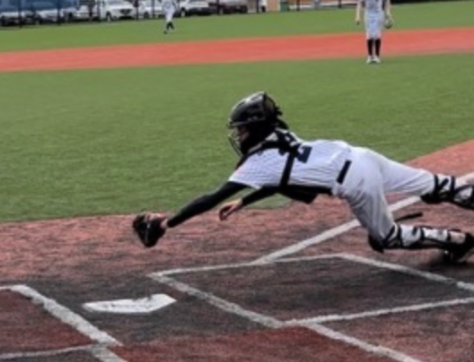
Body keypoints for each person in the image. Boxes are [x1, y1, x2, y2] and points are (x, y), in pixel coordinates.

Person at [132, 92, 474, 263]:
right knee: (440, 186)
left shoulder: (258, 161)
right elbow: (286, 176)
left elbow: (211, 198)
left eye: (243, 128)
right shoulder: (281, 135)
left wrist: (168, 224)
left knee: (385, 237)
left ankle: (457, 242)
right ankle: (460, 209)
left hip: (357, 183)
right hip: (362, 156)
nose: (239, 135)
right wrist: (245, 200)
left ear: (256, 127)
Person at [355, 0, 393, 64]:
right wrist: (358, 15)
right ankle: (369, 56)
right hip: (368, 13)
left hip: (379, 12)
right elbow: (360, 2)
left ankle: (376, 56)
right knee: (369, 34)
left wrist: (388, 12)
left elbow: (387, 0)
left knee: (376, 34)